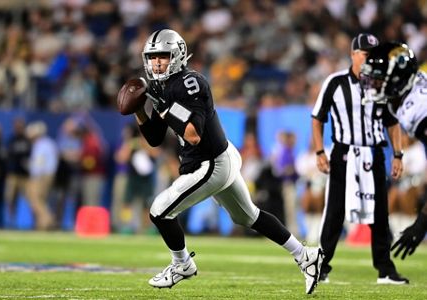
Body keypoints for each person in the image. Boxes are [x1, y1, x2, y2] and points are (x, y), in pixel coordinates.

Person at [130, 29, 324, 294]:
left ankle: (182, 264)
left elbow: (193, 135)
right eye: (152, 58)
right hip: (219, 158)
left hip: (210, 163)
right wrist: (139, 110)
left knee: (159, 210)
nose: (157, 63)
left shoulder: (191, 82)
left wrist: (165, 108)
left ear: (177, 55)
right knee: (249, 216)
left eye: (163, 56)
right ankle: (305, 255)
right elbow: (154, 138)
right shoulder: (161, 87)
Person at [311, 33, 409, 284]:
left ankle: (385, 269)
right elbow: (317, 117)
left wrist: (398, 154)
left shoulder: (382, 84)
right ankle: (321, 265)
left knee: (380, 213)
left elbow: (392, 123)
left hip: (374, 153)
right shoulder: (334, 82)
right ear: (353, 55)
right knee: (334, 212)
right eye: (366, 54)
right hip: (343, 153)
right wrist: (320, 151)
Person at [359, 41, 426, 260]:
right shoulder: (412, 89)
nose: (372, 86)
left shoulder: (418, 111)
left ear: (397, 80)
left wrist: (422, 222)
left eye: (378, 80)